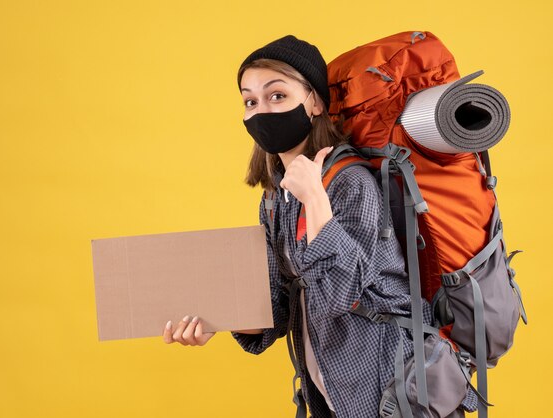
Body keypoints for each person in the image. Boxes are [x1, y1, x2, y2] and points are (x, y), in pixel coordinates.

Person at [162, 35, 428, 418]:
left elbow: (339, 294)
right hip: (328, 390)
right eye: (250, 101)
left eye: (277, 96)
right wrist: (214, 319)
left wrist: (316, 198)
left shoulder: (351, 181)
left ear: (314, 102)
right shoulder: (274, 198)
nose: (262, 112)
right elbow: (278, 305)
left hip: (390, 388)